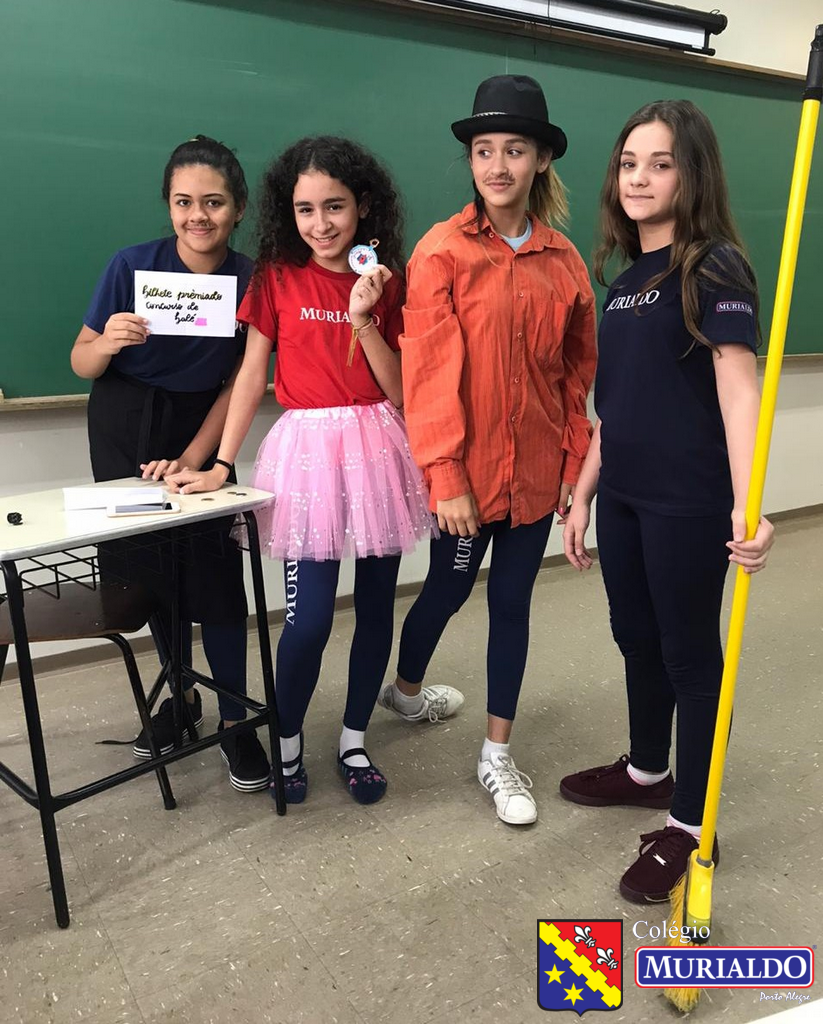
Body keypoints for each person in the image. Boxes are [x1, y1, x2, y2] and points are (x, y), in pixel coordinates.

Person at [166, 136, 437, 805]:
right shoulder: (277, 276)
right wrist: (222, 462)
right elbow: (250, 374)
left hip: (377, 448)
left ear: (363, 204)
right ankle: (285, 739)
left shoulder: (387, 279)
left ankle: (353, 740)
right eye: (305, 209)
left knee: (375, 608)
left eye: (334, 206)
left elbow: (400, 389)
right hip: (307, 454)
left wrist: (363, 317)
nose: (320, 224)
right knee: (309, 619)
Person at [559, 100, 775, 902]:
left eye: (659, 163)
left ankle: (690, 821)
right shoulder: (622, 282)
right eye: (628, 164)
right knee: (635, 638)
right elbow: (615, 408)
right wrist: (583, 495)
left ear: (692, 174)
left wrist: (749, 502)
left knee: (687, 655)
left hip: (685, 499)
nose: (639, 178)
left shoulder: (712, 265)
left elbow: (738, 387)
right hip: (621, 494)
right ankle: (647, 770)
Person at [377, 75, 597, 826]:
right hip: (465, 482)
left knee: (512, 604)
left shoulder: (565, 261)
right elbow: (428, 375)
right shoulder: (440, 252)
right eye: (484, 150)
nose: (498, 165)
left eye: (514, 150)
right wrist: (445, 476)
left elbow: (576, 373)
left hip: (534, 474)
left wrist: (571, 461)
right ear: (470, 160)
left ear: (541, 160)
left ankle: (496, 755)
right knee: (446, 589)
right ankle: (405, 691)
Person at [71, 135, 270, 793]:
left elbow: (237, 383)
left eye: (213, 202)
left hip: (203, 427)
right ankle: (179, 699)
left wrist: (195, 456)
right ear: (168, 205)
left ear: (238, 208)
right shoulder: (131, 265)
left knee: (215, 577)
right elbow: (81, 360)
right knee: (149, 575)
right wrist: (108, 340)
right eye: (183, 202)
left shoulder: (251, 279)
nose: (197, 216)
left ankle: (235, 719)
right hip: (123, 425)